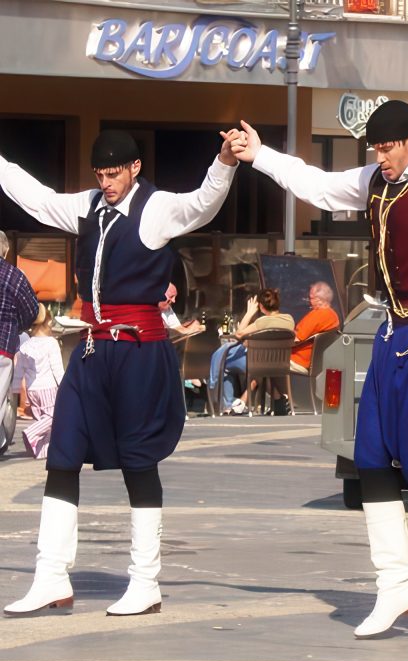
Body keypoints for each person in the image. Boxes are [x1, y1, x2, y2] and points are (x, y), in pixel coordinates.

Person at [229, 101, 408, 641]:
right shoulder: (375, 179)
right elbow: (318, 185)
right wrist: (260, 156)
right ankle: (396, 584)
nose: (381, 156)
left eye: (388, 147)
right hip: (395, 332)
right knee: (369, 457)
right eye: (375, 148)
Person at [0, 128, 239, 617]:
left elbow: (202, 205)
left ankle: (145, 581)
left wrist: (224, 163)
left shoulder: (156, 208)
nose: (106, 183)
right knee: (62, 454)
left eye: (114, 174)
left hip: (139, 351)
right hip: (92, 349)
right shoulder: (88, 205)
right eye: (100, 174)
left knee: (138, 460)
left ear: (134, 168)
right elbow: (36, 197)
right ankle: (50, 577)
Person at [208, 287, 295, 415]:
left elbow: (239, 334)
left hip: (258, 362)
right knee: (261, 368)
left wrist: (249, 313)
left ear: (261, 306)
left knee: (224, 364)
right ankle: (278, 399)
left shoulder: (261, 322)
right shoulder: (289, 319)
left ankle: (228, 405)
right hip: (281, 362)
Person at [0, 230, 41, 452]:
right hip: (2, 345)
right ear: (5, 251)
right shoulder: (14, 276)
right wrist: (19, 326)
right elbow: (32, 309)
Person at [12, 304, 63, 459]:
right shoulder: (51, 343)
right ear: (48, 322)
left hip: (32, 390)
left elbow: (18, 371)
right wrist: (65, 386)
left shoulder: (26, 345)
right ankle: (31, 433)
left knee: (44, 421)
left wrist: (15, 391)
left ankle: (42, 451)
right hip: (48, 387)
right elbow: (57, 369)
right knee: (54, 417)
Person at [289, 281, 340, 374]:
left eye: (311, 298)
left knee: (265, 360)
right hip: (313, 362)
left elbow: (296, 339)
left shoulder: (318, 315)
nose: (309, 301)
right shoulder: (333, 316)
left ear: (318, 299)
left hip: (297, 361)